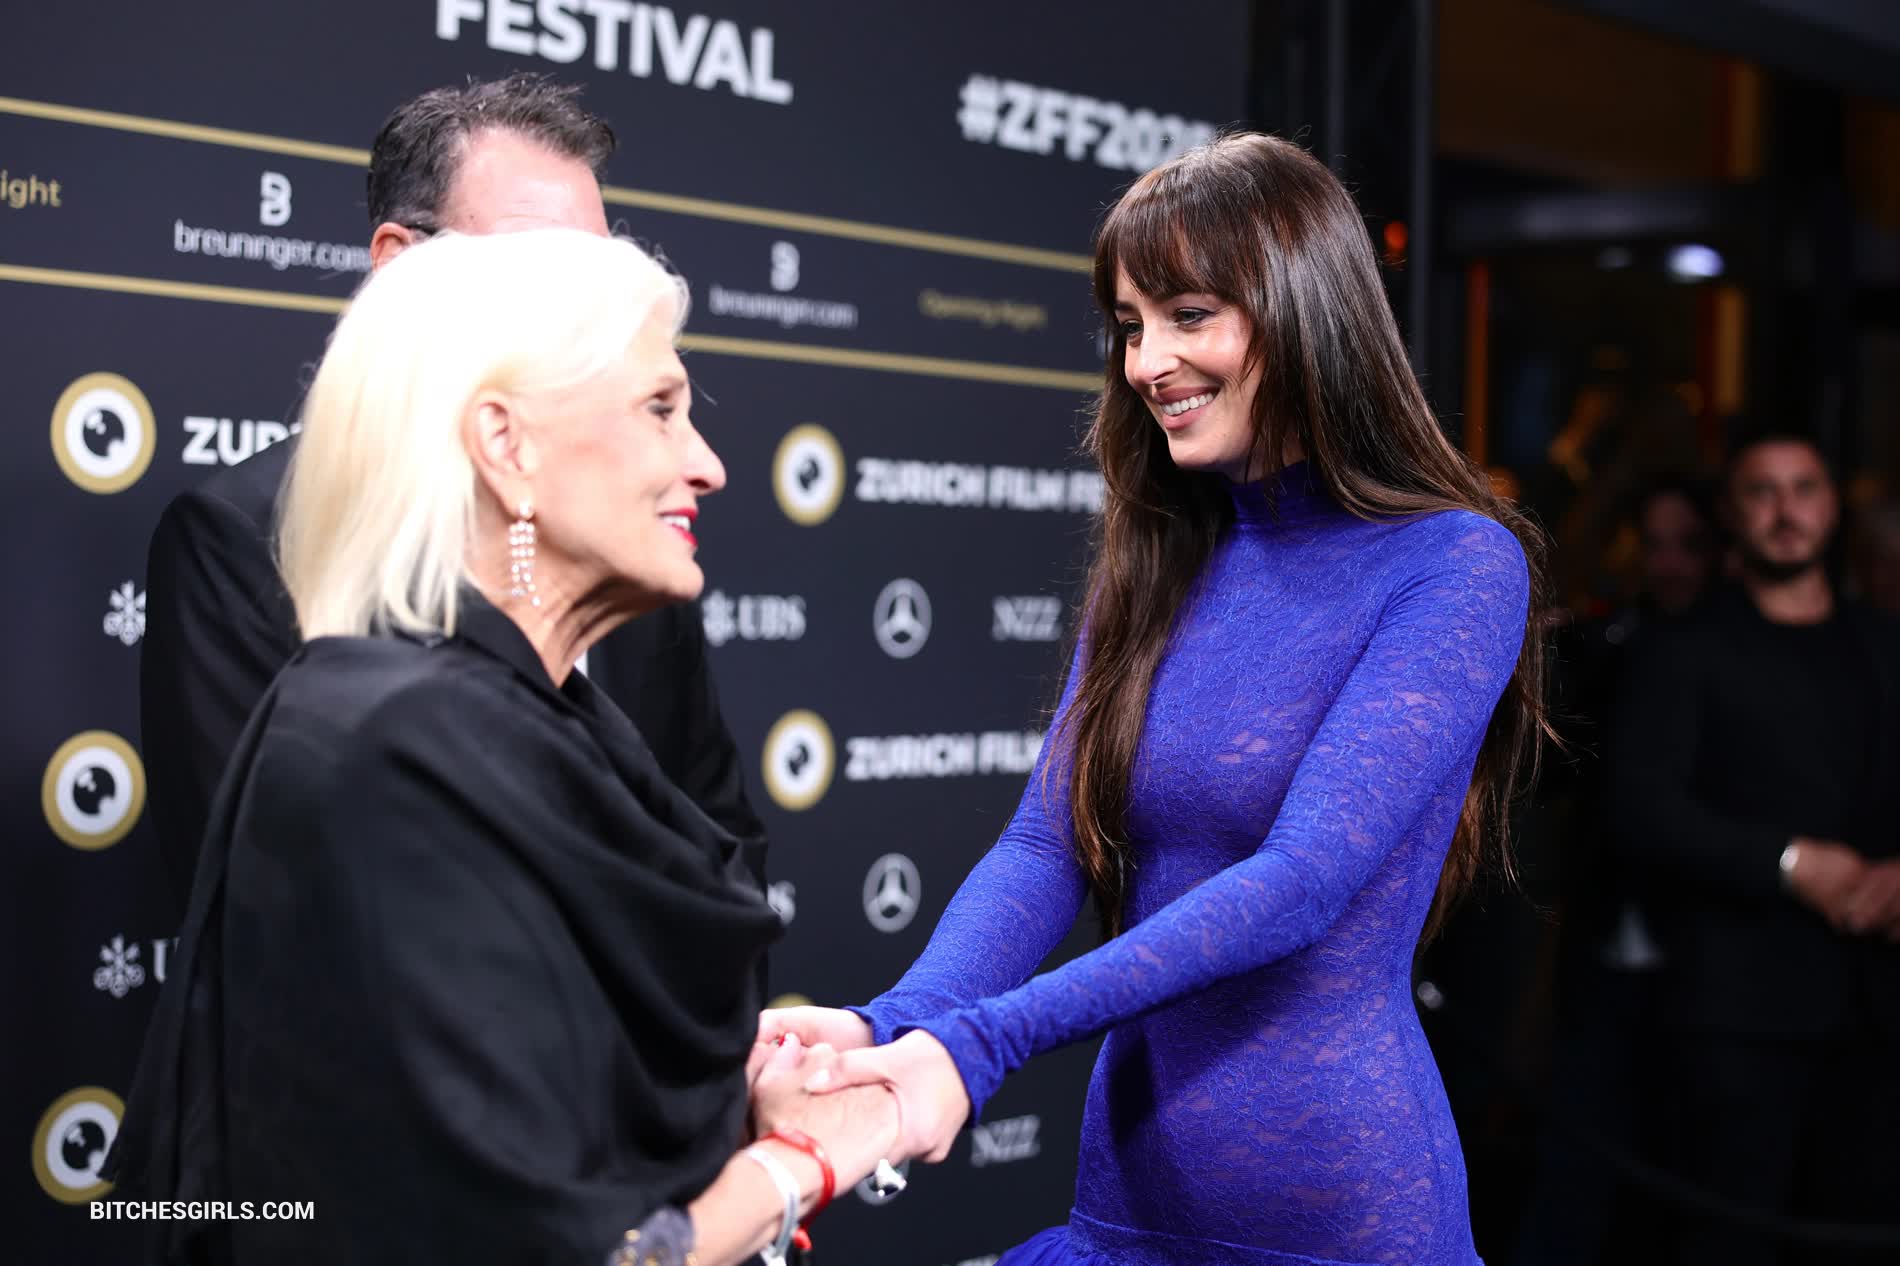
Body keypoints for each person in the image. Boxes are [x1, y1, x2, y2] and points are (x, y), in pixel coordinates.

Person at [764, 133, 1547, 1265]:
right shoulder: (1159, 560)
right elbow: (1046, 846)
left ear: (1304, 310)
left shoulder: (1454, 563)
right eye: (1130, 325)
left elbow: (1299, 885)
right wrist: (893, 1022)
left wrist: (978, 1046)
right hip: (1124, 1196)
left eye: (1188, 315)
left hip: (1335, 1216)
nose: (1146, 362)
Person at [107, 229, 901, 1266]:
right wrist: (799, 1165)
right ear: (506, 445)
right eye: (660, 409)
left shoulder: (529, 719)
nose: (705, 465)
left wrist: (723, 1094)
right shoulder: (400, 754)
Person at [139, 74, 764, 922]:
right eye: (545, 272)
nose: (596, 313)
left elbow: (724, 847)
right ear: (400, 265)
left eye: (603, 273)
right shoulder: (243, 538)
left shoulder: (631, 527)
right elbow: (263, 904)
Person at [1607, 431, 1900, 1264]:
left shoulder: (1885, 643)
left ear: (1832, 506)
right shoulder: (1681, 648)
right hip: (1736, 1015)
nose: (1785, 510)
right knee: (1728, 1241)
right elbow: (1641, 811)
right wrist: (1791, 864)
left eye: (1803, 488)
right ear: (1732, 516)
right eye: (1762, 492)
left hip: (1879, 1007)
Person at [1513, 474, 1719, 1265]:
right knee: (1581, 1156)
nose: (1669, 565)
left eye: (1688, 545)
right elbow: (1550, 776)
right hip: (1603, 936)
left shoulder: (1737, 652)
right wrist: (1545, 665)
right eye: (1653, 546)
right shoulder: (1610, 642)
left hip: (1714, 956)